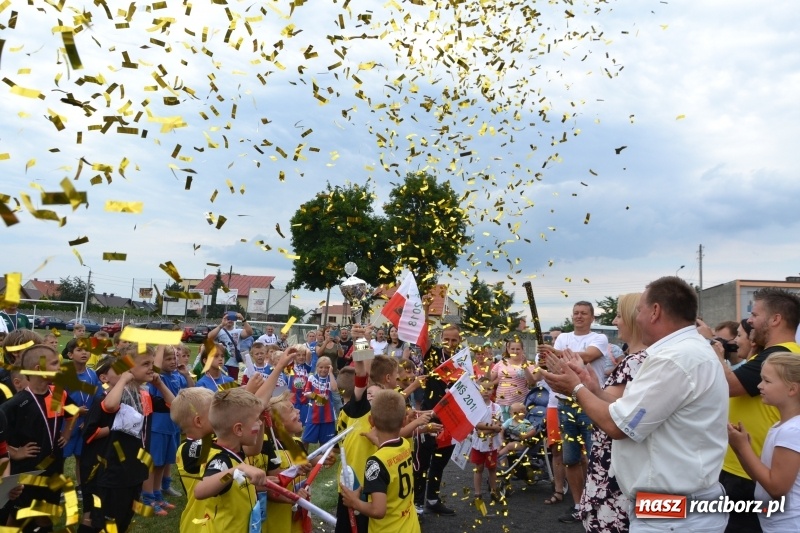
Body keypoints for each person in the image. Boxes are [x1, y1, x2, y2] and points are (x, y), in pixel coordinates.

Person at [543, 276, 730, 533]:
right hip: (669, 506)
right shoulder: (684, 351)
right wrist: (591, 386)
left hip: (671, 512)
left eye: (639, 310)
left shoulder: (674, 359)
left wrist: (574, 389)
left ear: (655, 311)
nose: (635, 318)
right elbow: (630, 407)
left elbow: (618, 425)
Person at [716, 288, 800, 533]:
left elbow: (727, 385)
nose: (749, 320)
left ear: (775, 319)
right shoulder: (771, 355)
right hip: (751, 468)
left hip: (750, 472)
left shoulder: (777, 356)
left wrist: (715, 354)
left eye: (754, 314)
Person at [578, 293, 648, 533]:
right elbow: (615, 403)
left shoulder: (635, 362)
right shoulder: (635, 359)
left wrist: (577, 389)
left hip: (615, 469)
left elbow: (615, 418)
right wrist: (593, 387)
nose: (616, 321)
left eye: (619, 315)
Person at [537, 300, 609, 523]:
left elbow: (586, 357)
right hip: (565, 404)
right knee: (570, 458)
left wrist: (554, 352)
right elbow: (554, 365)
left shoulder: (599, 338)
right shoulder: (563, 337)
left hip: (589, 403)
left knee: (595, 457)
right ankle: (579, 506)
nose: (579, 316)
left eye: (584, 313)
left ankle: (599, 505)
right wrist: (547, 358)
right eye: (576, 313)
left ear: (592, 317)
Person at [93, 345, 176, 532]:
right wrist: (123, 379)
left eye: (152, 363)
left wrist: (160, 385)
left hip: (136, 468)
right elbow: (110, 405)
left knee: (124, 518)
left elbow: (174, 405)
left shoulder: (144, 393)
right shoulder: (117, 392)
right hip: (114, 469)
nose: (151, 368)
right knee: (108, 523)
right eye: (145, 364)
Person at [1, 344, 73, 531]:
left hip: (53, 468)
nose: (60, 367)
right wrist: (15, 453)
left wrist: (66, 433)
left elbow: (72, 412)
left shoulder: (58, 393)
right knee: (18, 517)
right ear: (38, 369)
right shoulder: (15, 404)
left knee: (45, 516)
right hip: (26, 472)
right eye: (55, 363)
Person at [727, 353, 800, 533]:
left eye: (767, 381)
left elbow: (776, 488)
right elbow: (763, 480)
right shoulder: (781, 426)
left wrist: (744, 447)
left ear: (792, 389)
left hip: (788, 525)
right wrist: (740, 448)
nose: (759, 386)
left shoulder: (792, 431)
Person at [340, 389, 421, 533]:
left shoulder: (375, 463)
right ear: (403, 421)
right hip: (410, 526)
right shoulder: (405, 444)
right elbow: (391, 456)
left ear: (371, 421)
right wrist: (376, 441)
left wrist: (355, 502)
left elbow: (378, 510)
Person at [194, 388, 269, 533]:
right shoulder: (221, 460)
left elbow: (255, 449)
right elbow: (200, 491)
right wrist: (236, 470)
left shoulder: (236, 450)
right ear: (239, 430)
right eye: (256, 420)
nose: (259, 424)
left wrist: (263, 419)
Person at [414, 324, 461, 517]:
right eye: (446, 339)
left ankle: (432, 499)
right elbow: (422, 335)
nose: (450, 343)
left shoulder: (462, 360)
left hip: (451, 419)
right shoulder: (432, 354)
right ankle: (417, 504)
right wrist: (424, 308)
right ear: (441, 338)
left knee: (440, 462)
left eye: (454, 340)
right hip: (430, 415)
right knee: (422, 462)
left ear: (459, 340)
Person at [142, 345, 193, 515]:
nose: (173, 362)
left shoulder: (177, 377)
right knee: (152, 464)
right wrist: (162, 346)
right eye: (168, 359)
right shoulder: (158, 377)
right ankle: (148, 498)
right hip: (158, 426)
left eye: (174, 358)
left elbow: (189, 392)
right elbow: (155, 368)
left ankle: (157, 495)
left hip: (173, 427)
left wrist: (185, 374)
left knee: (162, 463)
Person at [79, 355, 117, 533]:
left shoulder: (122, 398)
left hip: (110, 461)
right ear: (104, 378)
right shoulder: (99, 399)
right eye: (119, 371)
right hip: (94, 462)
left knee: (106, 510)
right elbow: (89, 434)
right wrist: (114, 427)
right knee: (91, 510)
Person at [171, 387, 217, 532]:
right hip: (198, 525)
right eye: (216, 413)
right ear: (198, 421)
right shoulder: (187, 448)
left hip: (216, 520)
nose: (221, 416)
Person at [62, 338, 103, 499]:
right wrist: (75, 410)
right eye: (79, 350)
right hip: (65, 425)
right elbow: (56, 401)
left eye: (86, 350)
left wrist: (88, 420)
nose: (84, 353)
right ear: (71, 354)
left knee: (82, 457)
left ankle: (81, 487)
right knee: (61, 458)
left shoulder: (92, 375)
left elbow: (97, 399)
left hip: (84, 425)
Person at [470, 376, 503, 506]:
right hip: (478, 444)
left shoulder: (496, 407)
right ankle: (477, 493)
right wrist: (492, 428)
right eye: (483, 388)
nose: (486, 391)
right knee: (478, 468)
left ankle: (494, 491)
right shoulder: (474, 407)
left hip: (491, 444)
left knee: (492, 468)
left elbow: (498, 426)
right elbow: (477, 424)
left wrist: (486, 431)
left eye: (489, 389)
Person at [491, 339, 539, 421]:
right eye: (512, 349)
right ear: (508, 350)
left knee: (517, 430)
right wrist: (488, 367)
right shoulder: (501, 363)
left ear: (522, 350)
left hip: (519, 405)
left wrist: (524, 367)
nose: (515, 351)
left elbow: (532, 383)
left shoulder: (529, 364)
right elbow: (490, 380)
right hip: (501, 403)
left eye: (518, 349)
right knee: (502, 429)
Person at [302, 355, 338, 446]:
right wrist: (318, 397)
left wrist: (331, 373)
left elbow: (334, 388)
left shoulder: (331, 378)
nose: (324, 370)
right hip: (314, 414)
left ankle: (322, 459)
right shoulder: (312, 378)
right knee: (306, 439)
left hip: (328, 415)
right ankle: (303, 457)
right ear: (317, 367)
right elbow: (306, 393)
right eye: (321, 367)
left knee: (325, 442)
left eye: (327, 367)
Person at [208, 311, 253, 380]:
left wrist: (243, 319)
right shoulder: (219, 331)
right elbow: (209, 337)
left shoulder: (238, 331)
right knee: (220, 383)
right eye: (227, 318)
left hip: (233, 364)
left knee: (232, 384)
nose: (229, 320)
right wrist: (221, 325)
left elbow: (250, 332)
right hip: (221, 363)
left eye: (232, 318)